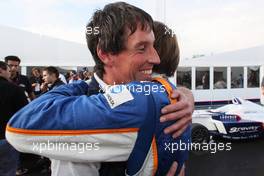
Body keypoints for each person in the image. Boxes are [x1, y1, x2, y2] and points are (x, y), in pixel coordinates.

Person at [7, 2, 193, 176]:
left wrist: (185, 93)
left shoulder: (158, 98)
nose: (156, 58)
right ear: (105, 54)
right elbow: (18, 128)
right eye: (142, 48)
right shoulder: (73, 120)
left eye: (153, 46)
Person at [0, 61, 28, 176]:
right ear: (1, 70)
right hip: (6, 137)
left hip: (6, 139)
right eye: (8, 69)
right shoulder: (15, 89)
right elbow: (24, 113)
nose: (10, 71)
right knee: (7, 171)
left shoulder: (18, 85)